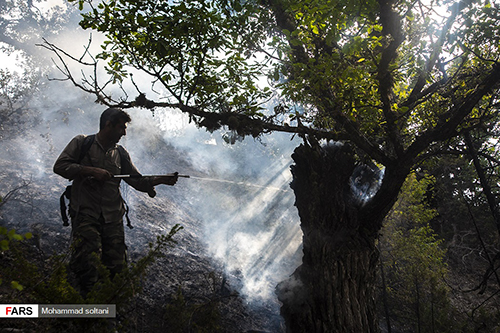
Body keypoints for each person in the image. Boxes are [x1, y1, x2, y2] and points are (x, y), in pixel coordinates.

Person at [53, 107, 178, 296]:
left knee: (117, 269)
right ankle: (85, 313)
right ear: (108, 125)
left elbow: (136, 180)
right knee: (87, 265)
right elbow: (60, 166)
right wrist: (90, 170)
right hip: (86, 213)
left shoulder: (120, 153)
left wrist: (160, 180)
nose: (124, 133)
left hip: (113, 218)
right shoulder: (82, 142)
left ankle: (110, 316)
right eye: (121, 127)